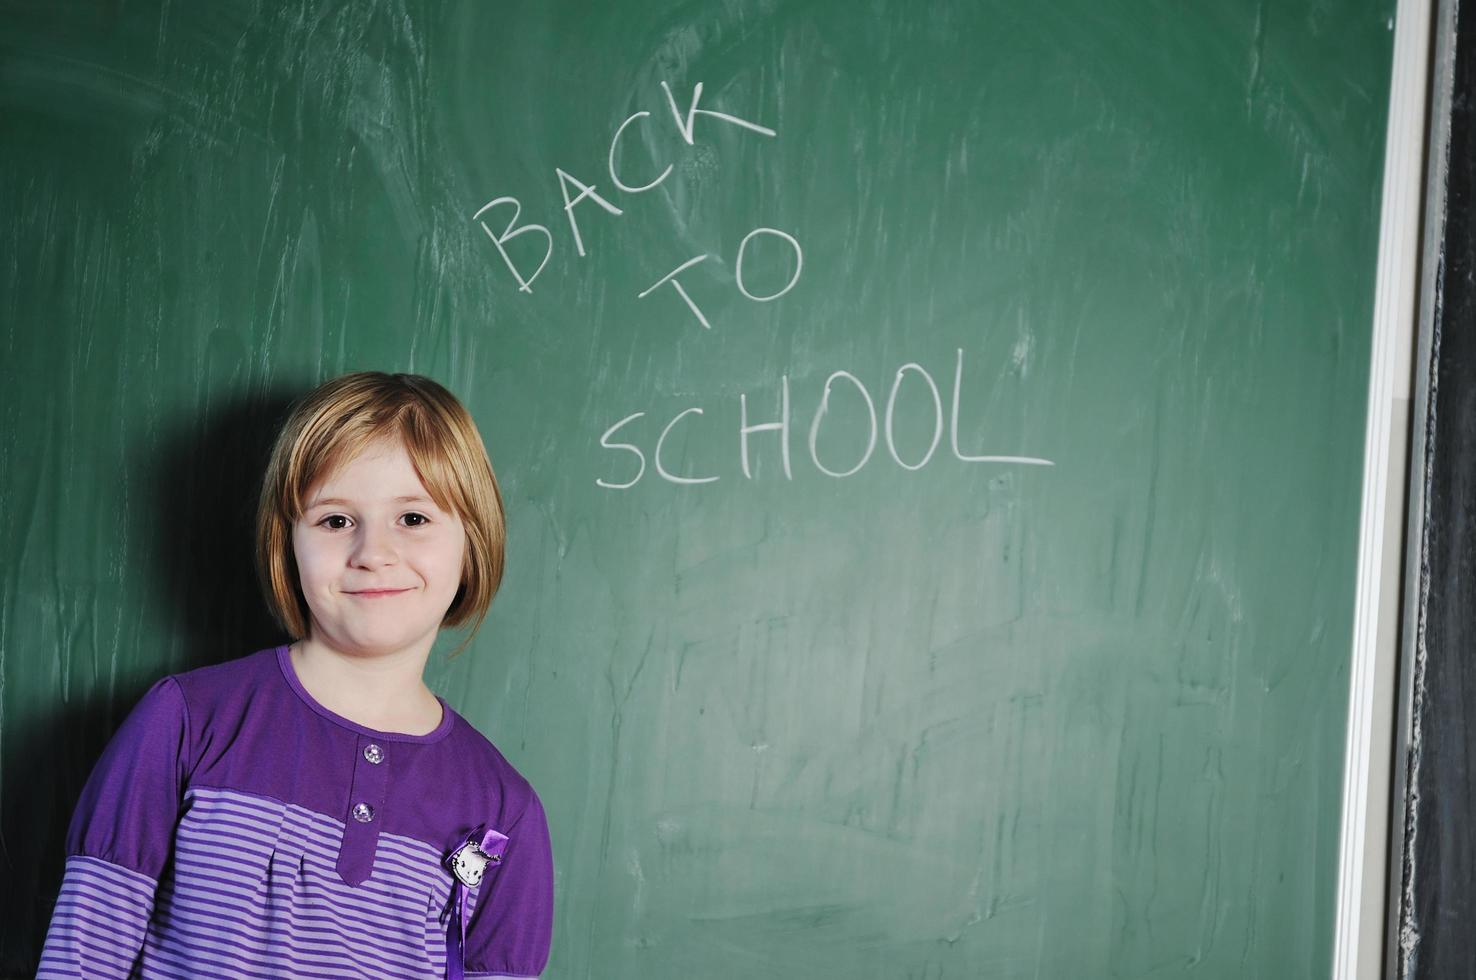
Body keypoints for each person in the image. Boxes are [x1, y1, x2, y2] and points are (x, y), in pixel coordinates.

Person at [36, 372, 554, 980]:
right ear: (290, 544)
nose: (373, 552)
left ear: (472, 542)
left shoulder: (503, 809)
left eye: (413, 518)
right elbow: (81, 959)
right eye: (336, 521)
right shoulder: (185, 720)